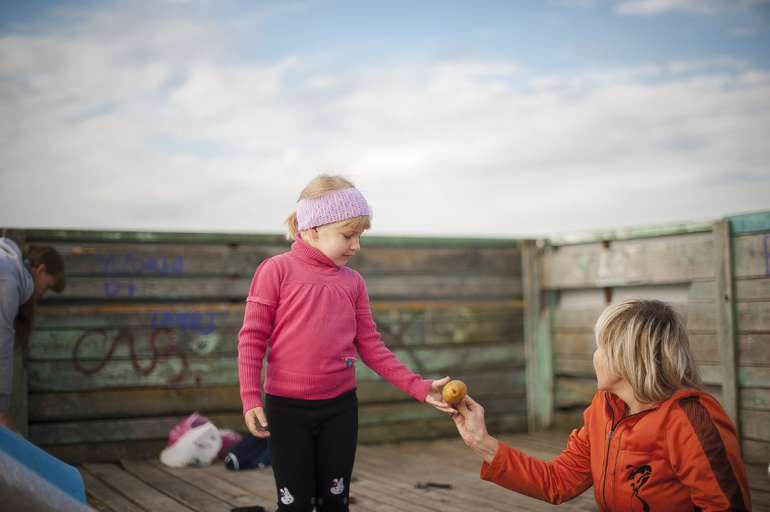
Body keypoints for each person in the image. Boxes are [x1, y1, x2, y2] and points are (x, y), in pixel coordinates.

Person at [238, 174, 454, 512]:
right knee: (294, 505)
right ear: (312, 230)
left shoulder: (353, 283)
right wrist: (251, 397)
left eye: (359, 236)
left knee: (335, 503)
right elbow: (251, 339)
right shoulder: (275, 270)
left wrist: (419, 387)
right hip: (285, 410)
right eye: (348, 235)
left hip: (340, 409)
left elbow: (371, 346)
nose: (356, 246)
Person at [452, 298, 753, 512]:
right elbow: (557, 482)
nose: (594, 355)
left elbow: (726, 506)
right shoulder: (604, 408)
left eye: (600, 346)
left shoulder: (691, 418)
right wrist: (481, 441)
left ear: (626, 358)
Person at [1, 238, 66, 434]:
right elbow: (1, 347)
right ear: (40, 269)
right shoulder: (8, 282)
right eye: (47, 287)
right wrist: (3, 410)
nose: (41, 294)